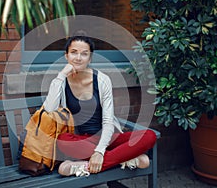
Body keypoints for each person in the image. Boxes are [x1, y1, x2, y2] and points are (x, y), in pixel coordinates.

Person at [43, 31, 157, 177]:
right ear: (66, 56)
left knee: (149, 135)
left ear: (89, 58)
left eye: (84, 54)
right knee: (63, 141)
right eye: (73, 52)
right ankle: (125, 160)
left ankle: (84, 166)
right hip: (83, 140)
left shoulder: (102, 80)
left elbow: (108, 121)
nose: (78, 58)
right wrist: (61, 75)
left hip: (109, 138)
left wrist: (99, 151)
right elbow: (49, 109)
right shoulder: (61, 81)